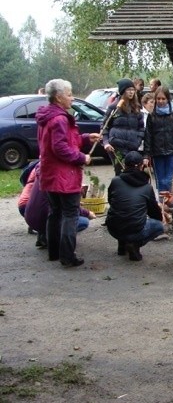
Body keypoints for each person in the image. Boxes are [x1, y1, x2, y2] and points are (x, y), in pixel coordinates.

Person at [35, 78, 101, 267]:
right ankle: (67, 256)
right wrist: (82, 158)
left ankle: (54, 252)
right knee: (70, 214)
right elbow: (60, 148)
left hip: (49, 173)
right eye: (70, 94)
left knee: (55, 212)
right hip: (63, 175)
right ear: (58, 97)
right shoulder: (60, 119)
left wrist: (86, 138)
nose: (73, 98)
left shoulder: (48, 117)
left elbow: (66, 141)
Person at [105, 151, 164, 261]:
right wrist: (161, 217)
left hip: (113, 228)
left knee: (122, 214)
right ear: (141, 166)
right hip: (134, 229)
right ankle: (135, 244)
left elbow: (111, 201)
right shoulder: (147, 187)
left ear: (125, 165)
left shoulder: (115, 181)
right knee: (159, 226)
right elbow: (154, 213)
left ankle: (122, 245)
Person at [23, 162, 95, 249]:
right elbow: (69, 207)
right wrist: (87, 213)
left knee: (52, 211)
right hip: (44, 217)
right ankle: (59, 243)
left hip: (30, 216)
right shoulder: (63, 178)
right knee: (83, 221)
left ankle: (43, 235)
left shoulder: (44, 172)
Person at [143, 86, 173, 194]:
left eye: (163, 99)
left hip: (172, 152)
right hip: (157, 152)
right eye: (158, 99)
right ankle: (162, 203)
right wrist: (146, 155)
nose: (161, 101)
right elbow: (148, 135)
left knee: (169, 179)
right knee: (160, 179)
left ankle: (170, 201)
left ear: (168, 99)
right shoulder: (152, 116)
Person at [102, 78, 145, 175]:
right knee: (120, 171)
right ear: (122, 91)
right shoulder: (114, 107)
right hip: (116, 146)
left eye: (132, 89)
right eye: (128, 90)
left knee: (133, 171)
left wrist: (138, 140)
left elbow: (141, 128)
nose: (131, 92)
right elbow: (104, 126)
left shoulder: (136, 108)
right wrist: (106, 142)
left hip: (132, 145)